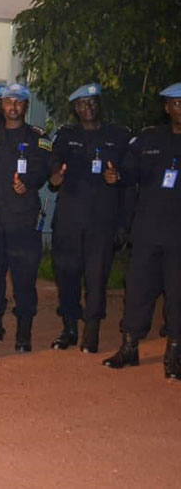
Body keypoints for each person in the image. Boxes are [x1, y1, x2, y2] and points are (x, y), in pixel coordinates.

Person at [102, 82, 181, 380]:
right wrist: (117, 175)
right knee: (136, 291)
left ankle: (174, 353)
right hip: (147, 230)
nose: (180, 109)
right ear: (166, 107)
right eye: (175, 103)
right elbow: (129, 172)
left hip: (179, 235)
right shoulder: (149, 138)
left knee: (177, 295)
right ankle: (129, 347)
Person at [47, 83, 130, 352]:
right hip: (70, 220)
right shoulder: (65, 136)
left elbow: (128, 183)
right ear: (75, 108)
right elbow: (54, 168)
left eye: (93, 102)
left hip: (102, 221)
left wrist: (123, 224)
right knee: (67, 275)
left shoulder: (118, 136)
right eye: (82, 104)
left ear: (99, 105)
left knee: (97, 278)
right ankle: (69, 327)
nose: (88, 108)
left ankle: (91, 329)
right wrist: (55, 176)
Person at [0, 83, 51, 352]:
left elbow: (44, 171)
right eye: (8, 102)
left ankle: (23, 332)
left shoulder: (39, 138)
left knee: (24, 278)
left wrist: (28, 183)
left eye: (18, 102)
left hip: (22, 221)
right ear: (1, 106)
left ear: (25, 106)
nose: (12, 107)